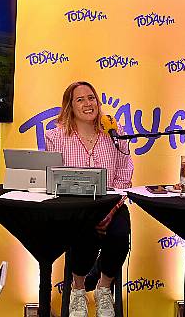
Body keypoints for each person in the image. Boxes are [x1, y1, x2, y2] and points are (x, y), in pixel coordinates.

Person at [44, 81, 133, 317]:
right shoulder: (56, 136)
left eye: (91, 98)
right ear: (70, 106)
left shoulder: (114, 133)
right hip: (75, 207)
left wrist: (111, 209)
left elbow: (125, 173)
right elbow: (53, 177)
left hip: (111, 203)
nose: (87, 103)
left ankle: (104, 289)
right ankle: (78, 290)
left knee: (120, 234)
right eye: (80, 99)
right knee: (84, 235)